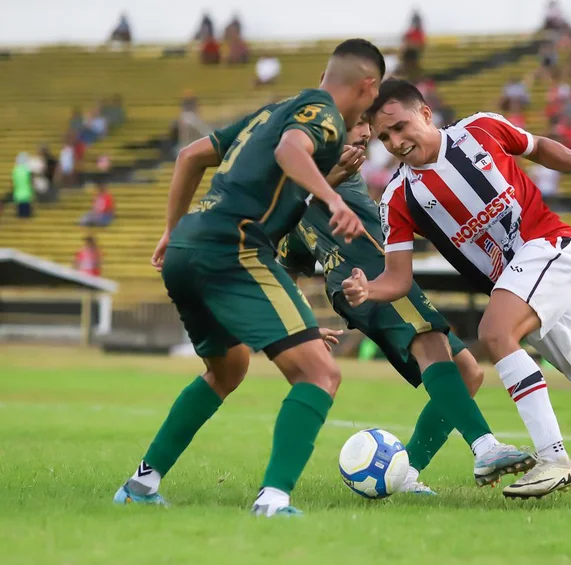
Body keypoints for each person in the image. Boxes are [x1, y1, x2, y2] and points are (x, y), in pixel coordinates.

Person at [348, 79, 571, 501]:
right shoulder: (399, 198)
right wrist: (369, 290)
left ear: (425, 113)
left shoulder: (481, 130)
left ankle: (554, 459)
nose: (396, 142)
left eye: (401, 127)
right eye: (385, 137)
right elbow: (399, 278)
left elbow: (539, 146)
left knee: (495, 332)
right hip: (520, 285)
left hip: (550, 247)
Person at [113, 39, 386, 517]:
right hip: (233, 250)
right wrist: (337, 199)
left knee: (228, 369)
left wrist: (172, 232)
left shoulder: (274, 110)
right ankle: (274, 499)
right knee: (321, 373)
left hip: (190, 247)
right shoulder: (321, 114)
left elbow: (191, 156)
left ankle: (140, 484)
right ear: (368, 86)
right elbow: (288, 151)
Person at [277, 122, 534, 494]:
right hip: (369, 278)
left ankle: (406, 472)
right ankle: (486, 447)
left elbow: (289, 266)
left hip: (376, 280)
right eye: (358, 127)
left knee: (468, 373)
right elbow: (299, 215)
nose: (365, 136)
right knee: (430, 344)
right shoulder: (327, 177)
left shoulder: (301, 202)